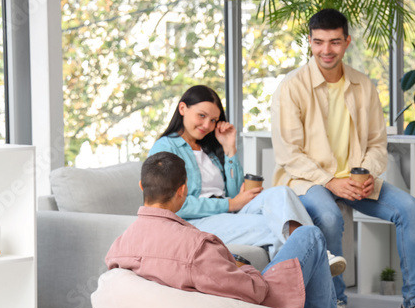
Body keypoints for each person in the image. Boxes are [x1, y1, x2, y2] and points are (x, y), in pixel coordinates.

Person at [271, 8, 415, 308]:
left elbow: (376, 142)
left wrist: (368, 174)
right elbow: (289, 154)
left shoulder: (363, 85)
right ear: (310, 42)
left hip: (357, 181)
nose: (326, 50)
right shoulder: (291, 88)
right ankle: (335, 303)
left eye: (334, 42)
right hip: (308, 182)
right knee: (329, 217)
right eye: (318, 42)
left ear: (347, 42)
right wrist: (331, 181)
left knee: (408, 208)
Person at [106, 152, 367, 308]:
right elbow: (253, 293)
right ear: (183, 190)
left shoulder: (119, 246)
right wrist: (243, 268)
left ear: (142, 186)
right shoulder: (196, 244)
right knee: (310, 236)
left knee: (283, 219)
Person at [148, 84, 345, 274]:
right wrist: (230, 204)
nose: (207, 125)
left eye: (214, 120)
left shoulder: (209, 150)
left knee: (282, 192)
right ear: (182, 108)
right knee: (275, 228)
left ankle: (315, 256)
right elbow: (174, 204)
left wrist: (229, 149)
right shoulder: (165, 148)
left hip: (228, 212)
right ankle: (315, 259)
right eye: (201, 116)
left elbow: (233, 193)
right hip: (197, 222)